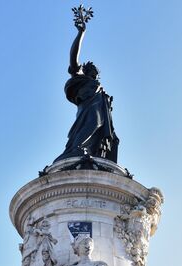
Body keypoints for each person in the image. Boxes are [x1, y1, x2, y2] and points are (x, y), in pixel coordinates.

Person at [54, 11, 119, 163]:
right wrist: (81, 33)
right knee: (91, 124)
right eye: (93, 67)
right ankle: (76, 148)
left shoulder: (100, 88)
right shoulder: (81, 77)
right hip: (87, 110)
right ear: (87, 69)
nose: (96, 70)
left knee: (97, 128)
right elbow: (73, 57)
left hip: (99, 113)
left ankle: (88, 152)